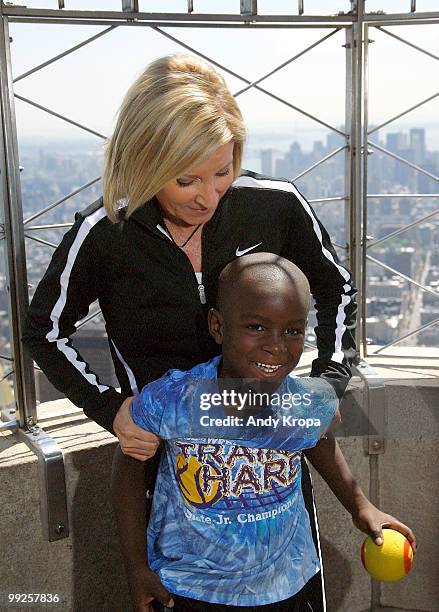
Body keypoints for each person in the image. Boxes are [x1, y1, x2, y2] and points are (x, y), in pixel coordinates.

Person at [22, 54, 357, 610]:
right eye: (186, 179)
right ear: (144, 161)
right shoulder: (107, 232)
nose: (209, 195)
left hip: (269, 470)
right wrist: (111, 410)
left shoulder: (273, 205)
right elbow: (44, 330)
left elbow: (336, 287)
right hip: (167, 474)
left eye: (223, 170)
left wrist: (330, 380)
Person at [114, 253, 416, 612]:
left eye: (292, 331)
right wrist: (136, 567)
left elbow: (317, 439)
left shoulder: (308, 402)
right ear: (218, 326)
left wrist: (360, 506)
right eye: (256, 327)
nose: (276, 345)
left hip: (284, 585)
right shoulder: (176, 398)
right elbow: (129, 467)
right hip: (191, 587)